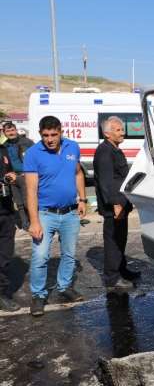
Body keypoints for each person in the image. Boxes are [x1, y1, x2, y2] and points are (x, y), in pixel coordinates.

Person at [24, 116, 87, 316]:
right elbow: (31, 191)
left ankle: (64, 287)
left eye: (53, 134)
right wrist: (34, 222)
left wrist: (83, 199)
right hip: (45, 214)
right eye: (45, 135)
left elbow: (78, 173)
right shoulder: (33, 154)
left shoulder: (72, 147)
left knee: (69, 254)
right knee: (41, 256)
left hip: (70, 213)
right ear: (40, 134)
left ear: (61, 131)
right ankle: (38, 295)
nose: (50, 139)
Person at [93, 116, 139, 289]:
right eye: (118, 130)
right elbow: (106, 182)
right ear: (107, 133)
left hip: (121, 202)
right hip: (114, 206)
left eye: (122, 129)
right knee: (113, 241)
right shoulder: (104, 151)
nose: (123, 132)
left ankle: (122, 269)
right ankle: (112, 278)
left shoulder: (114, 149)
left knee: (121, 238)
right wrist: (115, 203)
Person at [2, 121, 34, 229]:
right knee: (19, 203)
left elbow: (36, 158)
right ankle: (24, 223)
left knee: (27, 202)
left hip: (26, 176)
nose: (11, 133)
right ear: (4, 133)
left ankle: (33, 221)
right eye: (8, 131)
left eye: (12, 130)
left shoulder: (27, 142)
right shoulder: (4, 146)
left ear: (16, 130)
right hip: (12, 177)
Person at [0, 146, 19, 311]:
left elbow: (11, 171)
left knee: (5, 256)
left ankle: (2, 295)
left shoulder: (3, 149)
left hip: (6, 211)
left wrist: (11, 176)